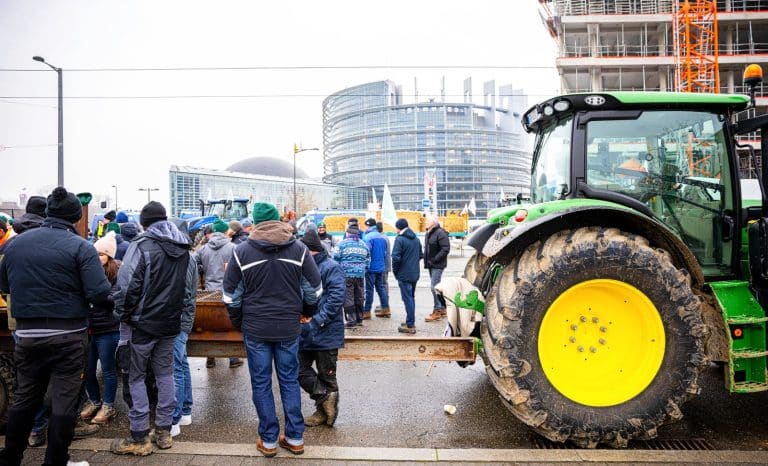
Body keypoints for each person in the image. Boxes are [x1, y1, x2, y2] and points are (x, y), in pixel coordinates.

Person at [0, 186, 112, 466]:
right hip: (68, 335)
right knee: (64, 399)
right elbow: (99, 294)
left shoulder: (14, 245)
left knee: (25, 396)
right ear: (75, 217)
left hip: (26, 335)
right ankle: (55, 460)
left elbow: (4, 286)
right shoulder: (80, 247)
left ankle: (11, 456)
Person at [223, 202, 321, 458]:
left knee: (261, 382)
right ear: (278, 220)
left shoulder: (241, 252)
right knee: (289, 380)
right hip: (288, 326)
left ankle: (268, 441)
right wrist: (307, 312)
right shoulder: (299, 249)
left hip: (255, 328)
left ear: (254, 222)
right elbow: (314, 288)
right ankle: (295, 437)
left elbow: (230, 295)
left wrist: (238, 321)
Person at [110, 201, 191, 456]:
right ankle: (164, 431)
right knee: (165, 375)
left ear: (144, 223)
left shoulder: (142, 246)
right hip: (170, 324)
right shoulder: (183, 248)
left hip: (142, 325)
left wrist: (122, 315)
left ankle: (139, 436)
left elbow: (127, 286)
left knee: (135, 377)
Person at [297, 229, 345, 427]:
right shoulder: (302, 268)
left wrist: (316, 321)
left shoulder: (331, 267)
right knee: (297, 369)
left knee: (327, 375)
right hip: (304, 331)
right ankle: (324, 398)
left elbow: (336, 298)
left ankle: (325, 414)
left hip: (325, 332)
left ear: (309, 251)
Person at [81, 232, 121, 426]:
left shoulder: (116, 274)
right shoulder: (86, 272)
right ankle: (94, 400)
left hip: (108, 329)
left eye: (101, 254)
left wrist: (97, 295)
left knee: (107, 370)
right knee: (87, 369)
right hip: (88, 329)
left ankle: (108, 405)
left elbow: (114, 299)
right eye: (95, 254)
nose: (97, 258)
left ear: (109, 257)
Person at [195, 219, 241, 369]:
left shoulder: (202, 249)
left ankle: (210, 358)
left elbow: (194, 264)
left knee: (210, 325)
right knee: (229, 324)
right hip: (229, 291)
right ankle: (233, 358)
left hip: (209, 291)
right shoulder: (233, 248)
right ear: (225, 230)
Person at [171, 242, 198, 438]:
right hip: (182, 318)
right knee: (181, 362)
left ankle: (175, 418)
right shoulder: (188, 257)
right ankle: (185, 411)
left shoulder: (183, 258)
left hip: (177, 319)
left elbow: (185, 293)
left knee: (175, 366)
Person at [333, 224, 370, 328]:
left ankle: (351, 320)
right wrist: (363, 269)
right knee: (359, 296)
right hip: (360, 275)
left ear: (347, 233)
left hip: (346, 274)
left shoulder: (342, 244)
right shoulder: (363, 244)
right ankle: (359, 319)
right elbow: (368, 259)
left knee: (349, 296)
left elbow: (335, 258)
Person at [392, 218, 423, 334]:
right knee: (411, 298)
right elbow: (421, 255)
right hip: (415, 273)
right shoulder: (416, 239)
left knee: (407, 299)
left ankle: (410, 325)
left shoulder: (399, 239)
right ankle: (410, 320)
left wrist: (396, 271)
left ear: (398, 227)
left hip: (404, 274)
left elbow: (395, 258)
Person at [423, 215, 450, 322]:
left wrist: (434, 259)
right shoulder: (429, 232)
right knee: (437, 287)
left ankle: (437, 310)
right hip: (431, 264)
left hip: (437, 265)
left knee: (434, 287)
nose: (425, 222)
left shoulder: (440, 233)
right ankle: (443, 308)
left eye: (427, 221)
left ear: (434, 223)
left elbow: (445, 249)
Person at [362, 218, 389, 319]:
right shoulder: (382, 237)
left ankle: (367, 311)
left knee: (369, 290)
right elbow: (385, 253)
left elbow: (366, 252)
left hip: (371, 268)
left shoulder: (368, 237)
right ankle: (386, 308)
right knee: (380, 288)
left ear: (368, 226)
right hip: (380, 267)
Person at [374, 221, 392, 317]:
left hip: (383, 265)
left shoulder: (381, 238)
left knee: (383, 285)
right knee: (383, 285)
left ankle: (385, 305)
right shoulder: (384, 237)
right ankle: (384, 304)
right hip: (385, 264)